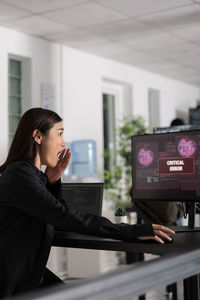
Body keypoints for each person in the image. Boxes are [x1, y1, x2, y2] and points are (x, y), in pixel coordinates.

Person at [0, 108, 175, 298]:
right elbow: (63, 216)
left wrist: (52, 180)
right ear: (38, 136)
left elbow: (55, 213)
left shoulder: (29, 175)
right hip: (12, 283)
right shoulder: (20, 175)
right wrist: (129, 231)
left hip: (28, 276)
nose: (63, 143)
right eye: (59, 134)